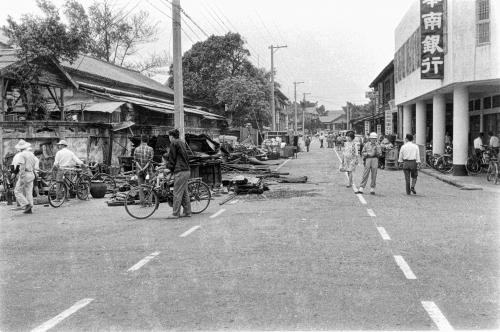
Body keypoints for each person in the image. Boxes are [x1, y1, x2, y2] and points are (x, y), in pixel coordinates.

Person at [165, 128, 191, 219]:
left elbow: (172, 158)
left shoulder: (174, 143)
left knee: (177, 193)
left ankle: (175, 213)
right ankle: (187, 212)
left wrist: (169, 168)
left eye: (169, 136)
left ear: (171, 136)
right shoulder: (182, 143)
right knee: (184, 192)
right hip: (186, 170)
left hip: (180, 171)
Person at [12, 140, 38, 214]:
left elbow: (22, 167)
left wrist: (22, 176)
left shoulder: (21, 155)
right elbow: (33, 165)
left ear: (20, 148)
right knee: (29, 192)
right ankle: (30, 208)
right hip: (31, 173)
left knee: (17, 191)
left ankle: (26, 205)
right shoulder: (32, 154)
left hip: (25, 174)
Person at [133, 135, 154, 202]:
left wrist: (141, 168)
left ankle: (142, 203)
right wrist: (145, 168)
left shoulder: (136, 149)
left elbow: (135, 161)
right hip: (148, 171)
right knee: (149, 187)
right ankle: (150, 202)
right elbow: (149, 161)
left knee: (140, 187)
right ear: (148, 140)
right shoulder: (150, 149)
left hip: (139, 171)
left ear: (141, 140)